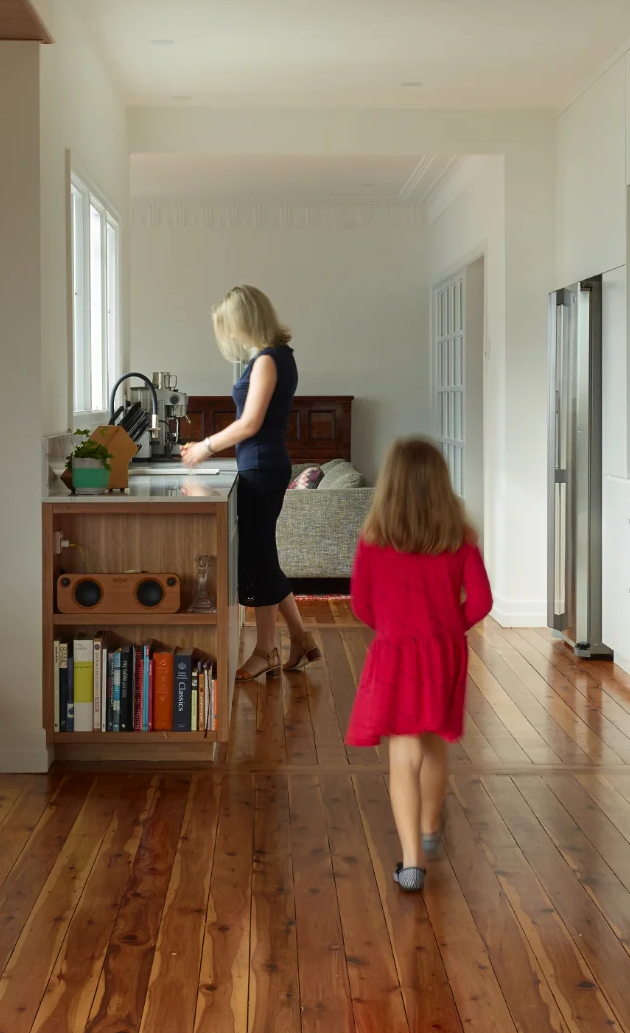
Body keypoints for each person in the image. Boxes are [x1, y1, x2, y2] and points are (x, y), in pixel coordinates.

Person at [345, 438, 493, 891]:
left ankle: (411, 863)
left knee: (403, 755)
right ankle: (431, 828)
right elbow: (483, 601)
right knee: (435, 744)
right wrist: (449, 627)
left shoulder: (374, 539)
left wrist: (391, 627)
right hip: (443, 654)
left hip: (395, 655)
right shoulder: (459, 539)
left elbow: (360, 605)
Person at [182, 284, 316, 679]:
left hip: (260, 467)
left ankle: (265, 650)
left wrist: (206, 446)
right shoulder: (279, 357)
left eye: (231, 327)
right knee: (264, 556)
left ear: (244, 320)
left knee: (259, 561)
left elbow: (251, 422)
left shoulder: (267, 361)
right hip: (264, 465)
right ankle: (300, 639)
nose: (231, 336)